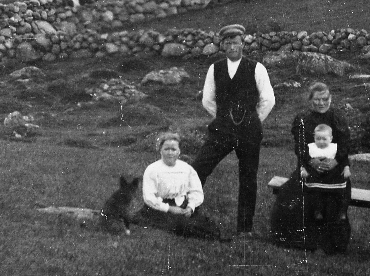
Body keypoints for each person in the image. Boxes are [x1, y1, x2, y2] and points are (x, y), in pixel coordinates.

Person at [192, 24, 275, 239]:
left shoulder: (257, 68)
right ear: (222, 45)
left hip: (249, 132)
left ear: (242, 43)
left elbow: (268, 99)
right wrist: (223, 119)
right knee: (199, 167)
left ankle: (244, 229)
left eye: (235, 42)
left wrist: (253, 120)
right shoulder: (215, 68)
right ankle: (190, 215)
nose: (232, 46)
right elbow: (207, 100)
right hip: (222, 130)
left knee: (248, 178)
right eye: (227, 43)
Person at [271, 81, 352, 254]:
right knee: (291, 193)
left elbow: (345, 145)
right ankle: (300, 240)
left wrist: (335, 162)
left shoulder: (337, 117)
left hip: (335, 169)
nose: (321, 103)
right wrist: (311, 161)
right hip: (309, 166)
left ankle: (332, 244)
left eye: (324, 99)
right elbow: (300, 146)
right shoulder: (302, 119)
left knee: (332, 199)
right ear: (310, 100)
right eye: (317, 99)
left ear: (330, 98)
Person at [141, 133, 225, 240]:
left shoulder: (186, 168)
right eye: (166, 149)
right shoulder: (152, 169)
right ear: (160, 150)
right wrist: (169, 208)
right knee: (182, 225)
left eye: (173, 149)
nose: (170, 153)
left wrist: (190, 207)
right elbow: (149, 197)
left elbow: (196, 191)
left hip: (182, 206)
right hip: (160, 208)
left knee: (207, 225)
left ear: (179, 151)